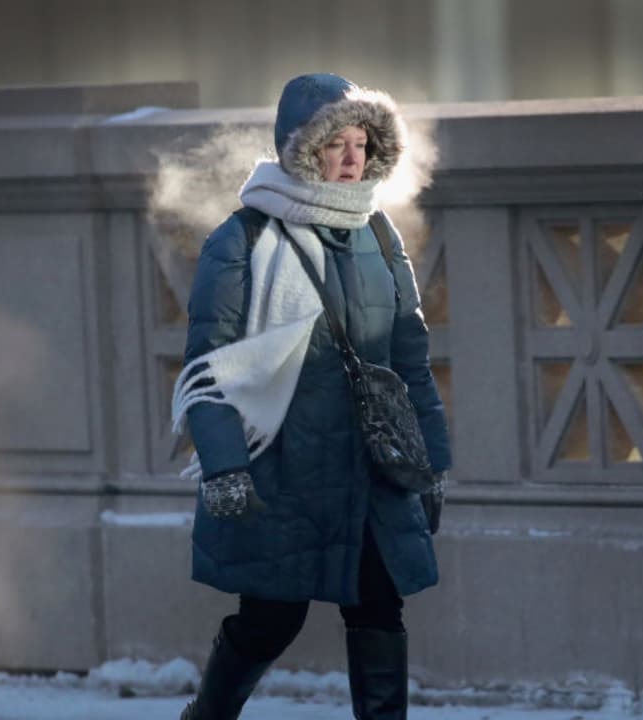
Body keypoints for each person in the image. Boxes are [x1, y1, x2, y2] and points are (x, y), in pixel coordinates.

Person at [170, 72, 451, 720]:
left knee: (379, 606)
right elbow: (209, 366)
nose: (353, 157)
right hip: (282, 466)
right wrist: (225, 466)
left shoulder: (378, 237)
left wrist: (430, 463)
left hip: (368, 467)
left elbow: (408, 359)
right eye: (336, 143)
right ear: (302, 151)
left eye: (362, 142)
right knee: (271, 620)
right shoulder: (240, 240)